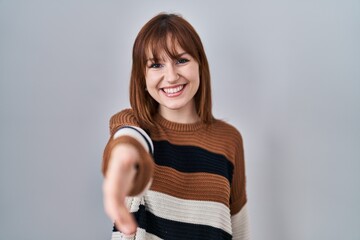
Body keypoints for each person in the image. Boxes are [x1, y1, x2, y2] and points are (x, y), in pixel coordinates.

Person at [102, 13, 250, 240]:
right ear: (143, 76)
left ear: (200, 64)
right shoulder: (135, 126)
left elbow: (239, 230)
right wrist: (122, 161)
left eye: (181, 60)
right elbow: (128, 142)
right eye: (156, 65)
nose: (171, 76)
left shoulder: (229, 140)